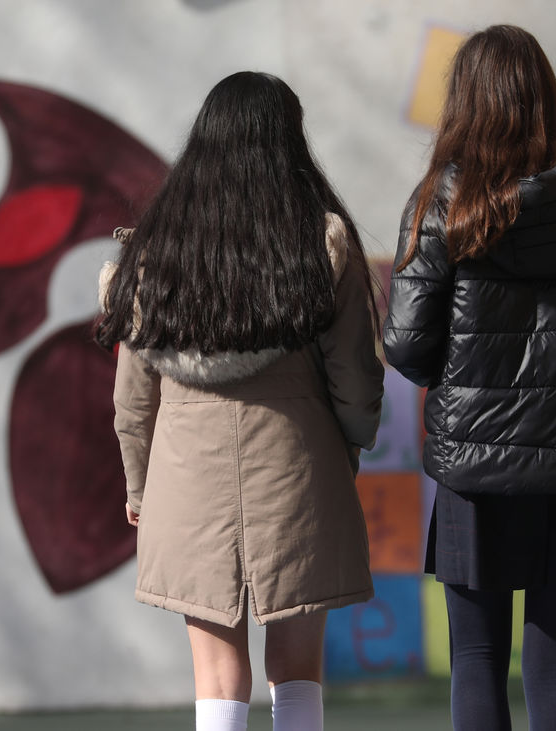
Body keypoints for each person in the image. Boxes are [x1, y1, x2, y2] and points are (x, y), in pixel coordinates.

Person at [383, 25, 556, 730]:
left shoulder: (443, 201)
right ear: (546, 95)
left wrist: (470, 375)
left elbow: (408, 348)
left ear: (464, 101)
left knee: (477, 657)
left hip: (476, 467)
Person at [95, 71, 384, 731]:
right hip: (298, 466)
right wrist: (351, 445)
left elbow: (132, 401)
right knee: (298, 664)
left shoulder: (154, 256)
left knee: (217, 673)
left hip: (186, 476)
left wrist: (139, 486)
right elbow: (355, 377)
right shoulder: (321, 245)